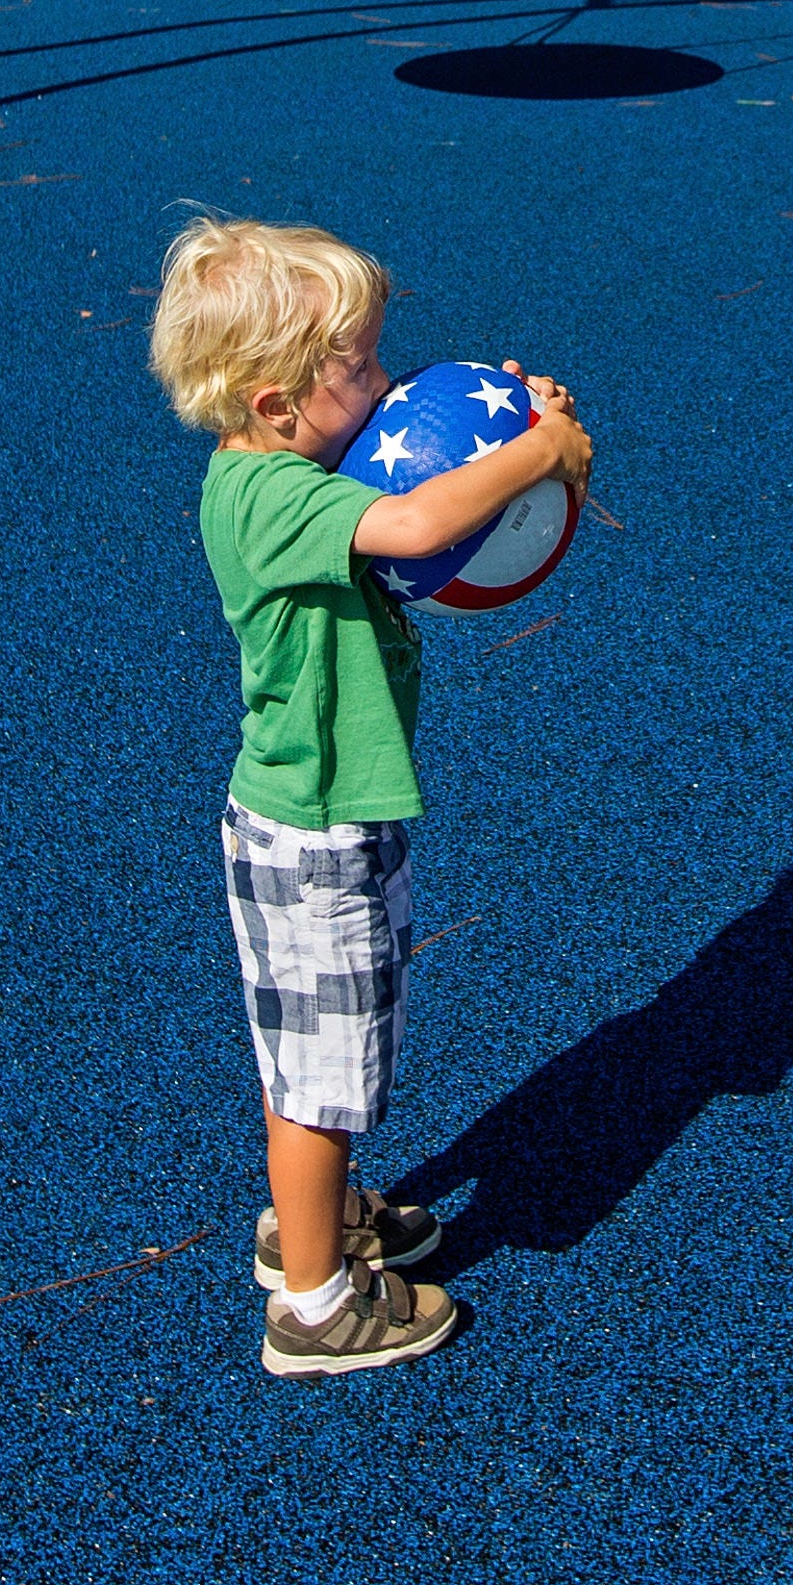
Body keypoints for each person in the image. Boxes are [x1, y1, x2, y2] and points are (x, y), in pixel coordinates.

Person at [148, 216, 591, 1378]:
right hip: (308, 834)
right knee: (318, 1074)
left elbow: (420, 462)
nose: (389, 383)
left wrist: (499, 409)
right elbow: (417, 518)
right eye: (363, 367)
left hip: (339, 815)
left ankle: (321, 1216)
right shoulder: (268, 502)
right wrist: (535, 457)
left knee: (340, 1043)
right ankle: (311, 1302)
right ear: (277, 403)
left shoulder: (287, 460)